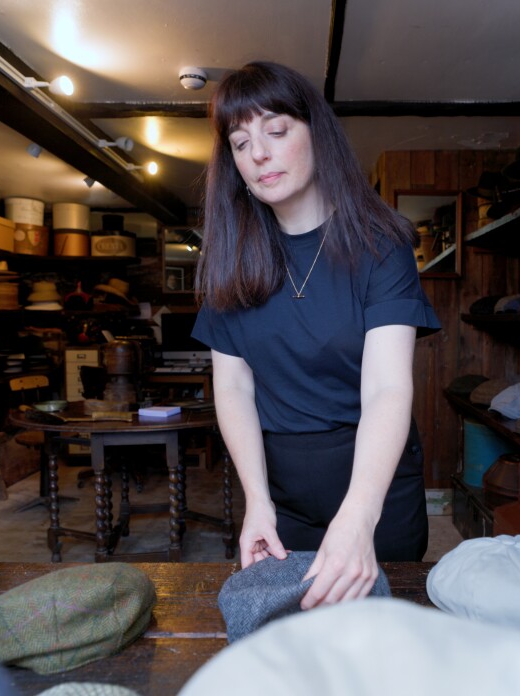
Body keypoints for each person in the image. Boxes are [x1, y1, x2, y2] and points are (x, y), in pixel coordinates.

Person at [191, 61, 441, 610]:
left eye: (275, 131)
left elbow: (387, 389)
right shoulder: (230, 259)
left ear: (315, 133)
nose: (258, 153)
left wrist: (359, 514)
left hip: (374, 485)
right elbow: (232, 387)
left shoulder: (382, 244)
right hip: (278, 491)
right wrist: (256, 500)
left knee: (382, 635)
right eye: (240, 142)